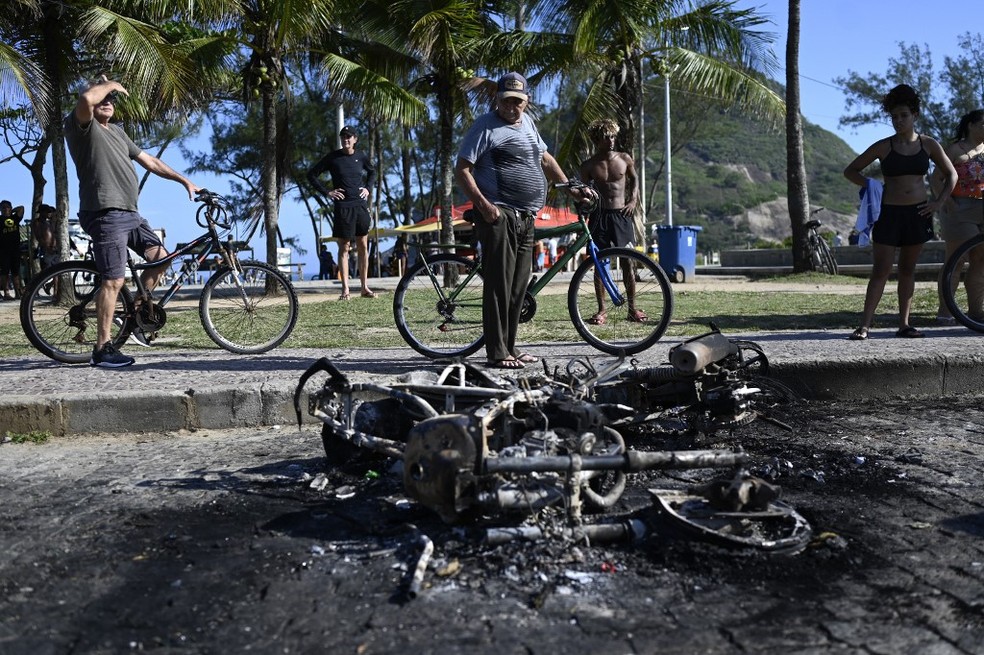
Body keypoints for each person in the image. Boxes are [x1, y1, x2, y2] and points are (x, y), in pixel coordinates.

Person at [455, 71, 594, 369]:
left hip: (526, 216)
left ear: (526, 102)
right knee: (499, 285)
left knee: (519, 287)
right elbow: (463, 169)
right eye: (506, 100)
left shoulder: (528, 123)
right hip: (499, 213)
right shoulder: (485, 126)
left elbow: (545, 159)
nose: (511, 106)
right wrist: (485, 206)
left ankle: (511, 346)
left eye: (517, 101)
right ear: (498, 99)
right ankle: (497, 352)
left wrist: (571, 187)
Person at [64, 75, 202, 367]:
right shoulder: (81, 126)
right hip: (104, 212)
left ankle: (135, 316)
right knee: (113, 280)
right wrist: (111, 84)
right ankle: (102, 350)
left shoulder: (116, 132)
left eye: (112, 99)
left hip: (130, 213)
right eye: (104, 97)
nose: (109, 102)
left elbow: (150, 161)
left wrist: (184, 181)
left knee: (161, 257)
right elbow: (87, 99)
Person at [843, 84, 956, 340]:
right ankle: (865, 325)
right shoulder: (883, 147)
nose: (898, 121)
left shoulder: (928, 145)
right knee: (881, 269)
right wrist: (872, 185)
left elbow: (952, 174)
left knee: (907, 269)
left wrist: (938, 203)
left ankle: (904, 324)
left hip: (918, 214)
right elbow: (850, 171)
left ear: (914, 115)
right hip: (888, 214)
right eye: (894, 117)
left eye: (903, 115)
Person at [579, 118, 645, 324]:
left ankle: (633, 309)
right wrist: (584, 200)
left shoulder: (624, 158)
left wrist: (633, 199)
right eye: (607, 137)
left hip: (621, 215)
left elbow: (634, 179)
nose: (611, 140)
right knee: (599, 264)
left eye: (613, 136)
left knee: (628, 262)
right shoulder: (589, 165)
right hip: (599, 218)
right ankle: (602, 310)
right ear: (597, 140)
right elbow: (581, 190)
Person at [307, 126, 377, 300]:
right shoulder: (333, 157)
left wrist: (368, 188)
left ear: (355, 139)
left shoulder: (361, 156)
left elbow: (373, 172)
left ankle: (364, 287)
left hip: (360, 206)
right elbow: (311, 175)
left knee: (362, 245)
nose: (345, 139)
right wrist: (327, 192)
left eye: (348, 136)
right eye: (342, 136)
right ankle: (345, 290)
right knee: (344, 247)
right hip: (342, 207)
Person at [931, 109, 984, 323]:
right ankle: (945, 311)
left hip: (982, 209)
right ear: (970, 125)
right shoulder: (954, 150)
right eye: (983, 124)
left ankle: (976, 311)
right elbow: (936, 179)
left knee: (980, 260)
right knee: (957, 259)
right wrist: (948, 202)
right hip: (959, 210)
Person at [0, 200, 25, 300]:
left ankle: (18, 292)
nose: (5, 209)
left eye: (7, 207)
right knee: (4, 272)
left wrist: (11, 211)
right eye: (3, 208)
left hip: (15, 249)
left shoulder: (15, 218)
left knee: (16, 272)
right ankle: (6, 293)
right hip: (3, 250)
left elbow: (22, 208)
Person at [31, 203, 59, 271]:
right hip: (46, 250)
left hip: (53, 249)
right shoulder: (37, 222)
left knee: (56, 271)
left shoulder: (48, 222)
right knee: (46, 271)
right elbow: (39, 237)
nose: (48, 214)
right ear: (42, 212)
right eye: (47, 212)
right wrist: (47, 248)